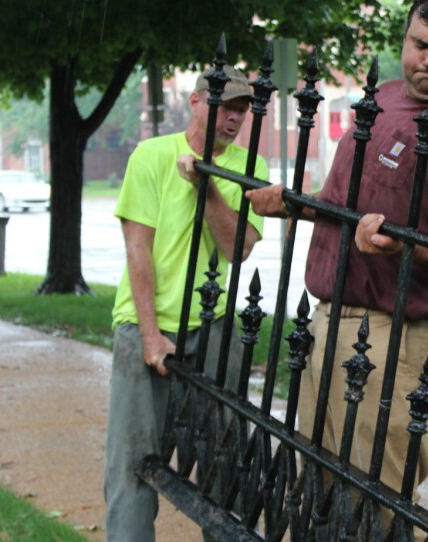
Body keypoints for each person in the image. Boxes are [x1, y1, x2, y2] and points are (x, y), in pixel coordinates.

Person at [247, 0, 428, 518]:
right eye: (419, 44)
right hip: (328, 320)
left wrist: (404, 243)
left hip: (400, 338)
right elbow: (343, 207)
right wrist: (293, 203)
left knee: (375, 503)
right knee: (316, 490)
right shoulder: (385, 98)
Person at [104, 65, 267, 542]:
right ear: (195, 102)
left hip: (214, 326)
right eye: (225, 106)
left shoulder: (248, 166)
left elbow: (237, 248)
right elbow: (138, 248)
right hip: (145, 326)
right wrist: (151, 334)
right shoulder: (151, 155)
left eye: (242, 109)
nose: (234, 118)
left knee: (226, 461)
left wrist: (207, 185)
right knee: (134, 462)